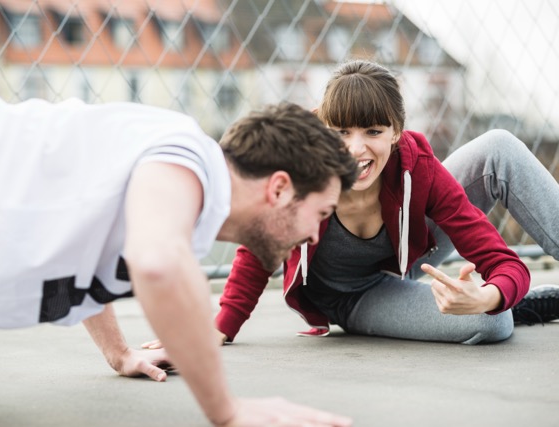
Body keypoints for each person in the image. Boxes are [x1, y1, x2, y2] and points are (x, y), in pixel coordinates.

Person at [0, 89, 358, 426]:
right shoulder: (184, 154)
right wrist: (227, 411)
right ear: (279, 188)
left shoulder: (179, 199)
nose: (314, 233)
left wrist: (118, 353)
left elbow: (91, 252)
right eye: (319, 214)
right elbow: (158, 265)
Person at [194, 59, 559, 348]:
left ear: (397, 131)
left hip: (412, 258)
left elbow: (503, 261)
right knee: (492, 321)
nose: (356, 149)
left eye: (373, 131)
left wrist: (491, 292)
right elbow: (259, 247)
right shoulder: (302, 170)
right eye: (341, 133)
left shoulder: (419, 169)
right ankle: (516, 306)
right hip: (356, 297)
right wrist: (220, 327)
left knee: (498, 145)